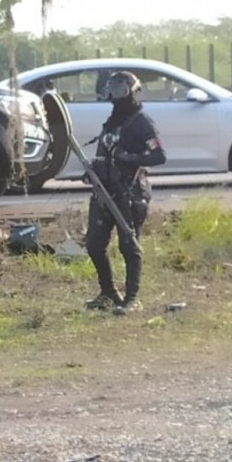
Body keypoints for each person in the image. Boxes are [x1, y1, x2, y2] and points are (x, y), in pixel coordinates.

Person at [84, 71, 166, 315]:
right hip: (104, 193)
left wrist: (130, 158)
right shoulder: (110, 124)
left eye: (119, 90)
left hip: (130, 193)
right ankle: (108, 293)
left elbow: (159, 156)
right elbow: (103, 155)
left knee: (129, 245)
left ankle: (131, 299)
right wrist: (94, 171)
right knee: (94, 244)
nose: (114, 96)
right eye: (111, 90)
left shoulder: (142, 123)